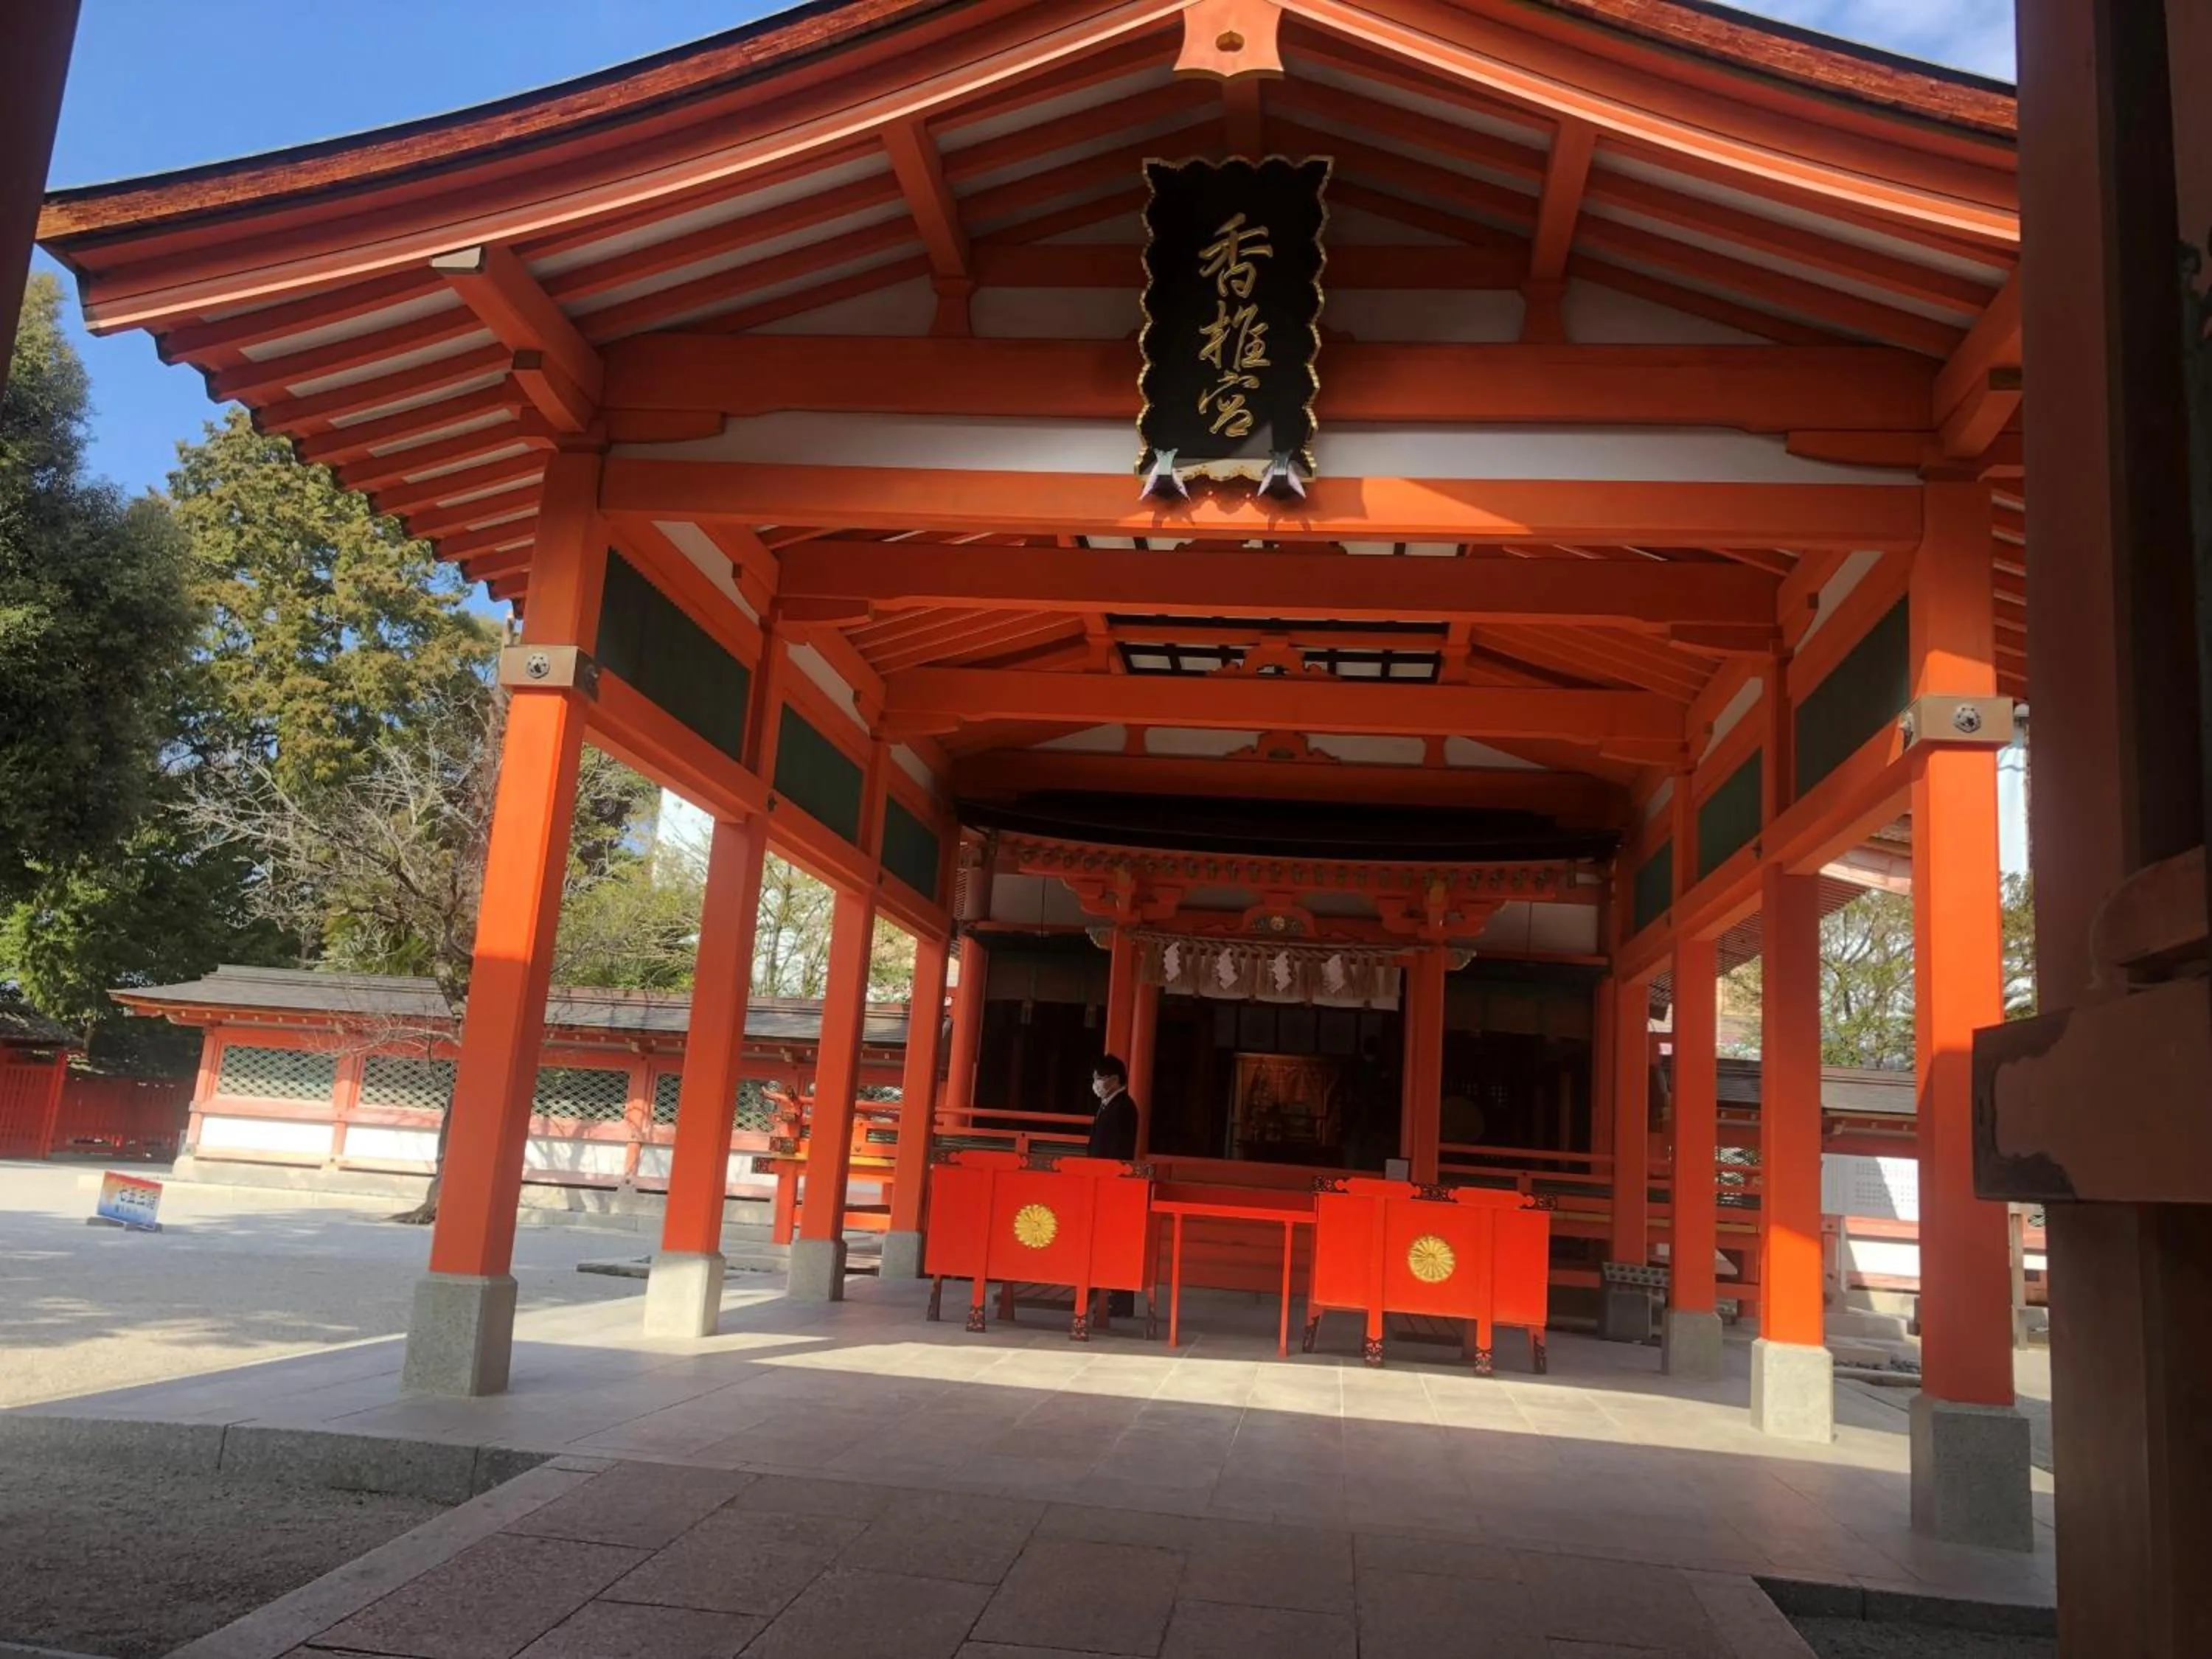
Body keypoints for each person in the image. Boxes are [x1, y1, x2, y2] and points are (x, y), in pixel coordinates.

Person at [1085, 1055, 1139, 1319]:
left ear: (1114, 1080)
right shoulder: (1107, 1105)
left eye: (1100, 1078)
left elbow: (1117, 1150)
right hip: (1100, 1181)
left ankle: (1119, 1300)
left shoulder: (1124, 1107)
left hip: (1113, 1184)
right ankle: (1106, 1295)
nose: (1096, 1083)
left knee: (1115, 1242)